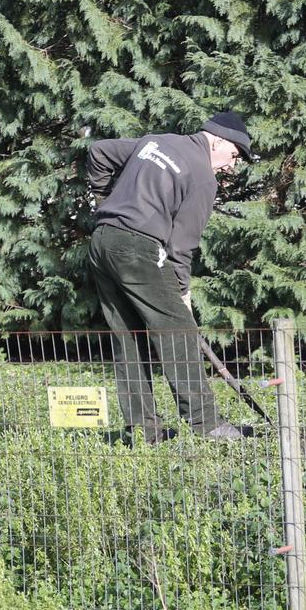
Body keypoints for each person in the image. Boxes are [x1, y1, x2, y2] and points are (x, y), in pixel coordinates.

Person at [84, 111, 254, 443]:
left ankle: (144, 431)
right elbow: (181, 246)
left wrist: (108, 199)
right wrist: (183, 296)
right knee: (178, 331)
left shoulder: (156, 141)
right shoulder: (204, 177)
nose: (232, 166)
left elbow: (99, 152)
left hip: (103, 241)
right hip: (136, 248)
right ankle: (208, 425)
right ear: (217, 140)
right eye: (233, 155)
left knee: (128, 337)